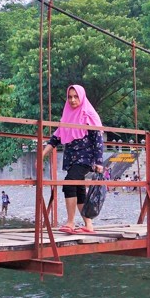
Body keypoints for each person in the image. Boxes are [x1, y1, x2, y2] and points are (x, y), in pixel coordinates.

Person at [41, 85, 104, 233]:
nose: (72, 100)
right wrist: (42, 155)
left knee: (69, 183)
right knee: (79, 189)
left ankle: (70, 223)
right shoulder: (67, 115)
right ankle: (88, 225)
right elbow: (55, 138)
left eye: (76, 96)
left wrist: (100, 162)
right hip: (71, 159)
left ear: (81, 97)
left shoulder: (89, 114)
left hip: (85, 158)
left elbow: (98, 139)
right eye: (69, 97)